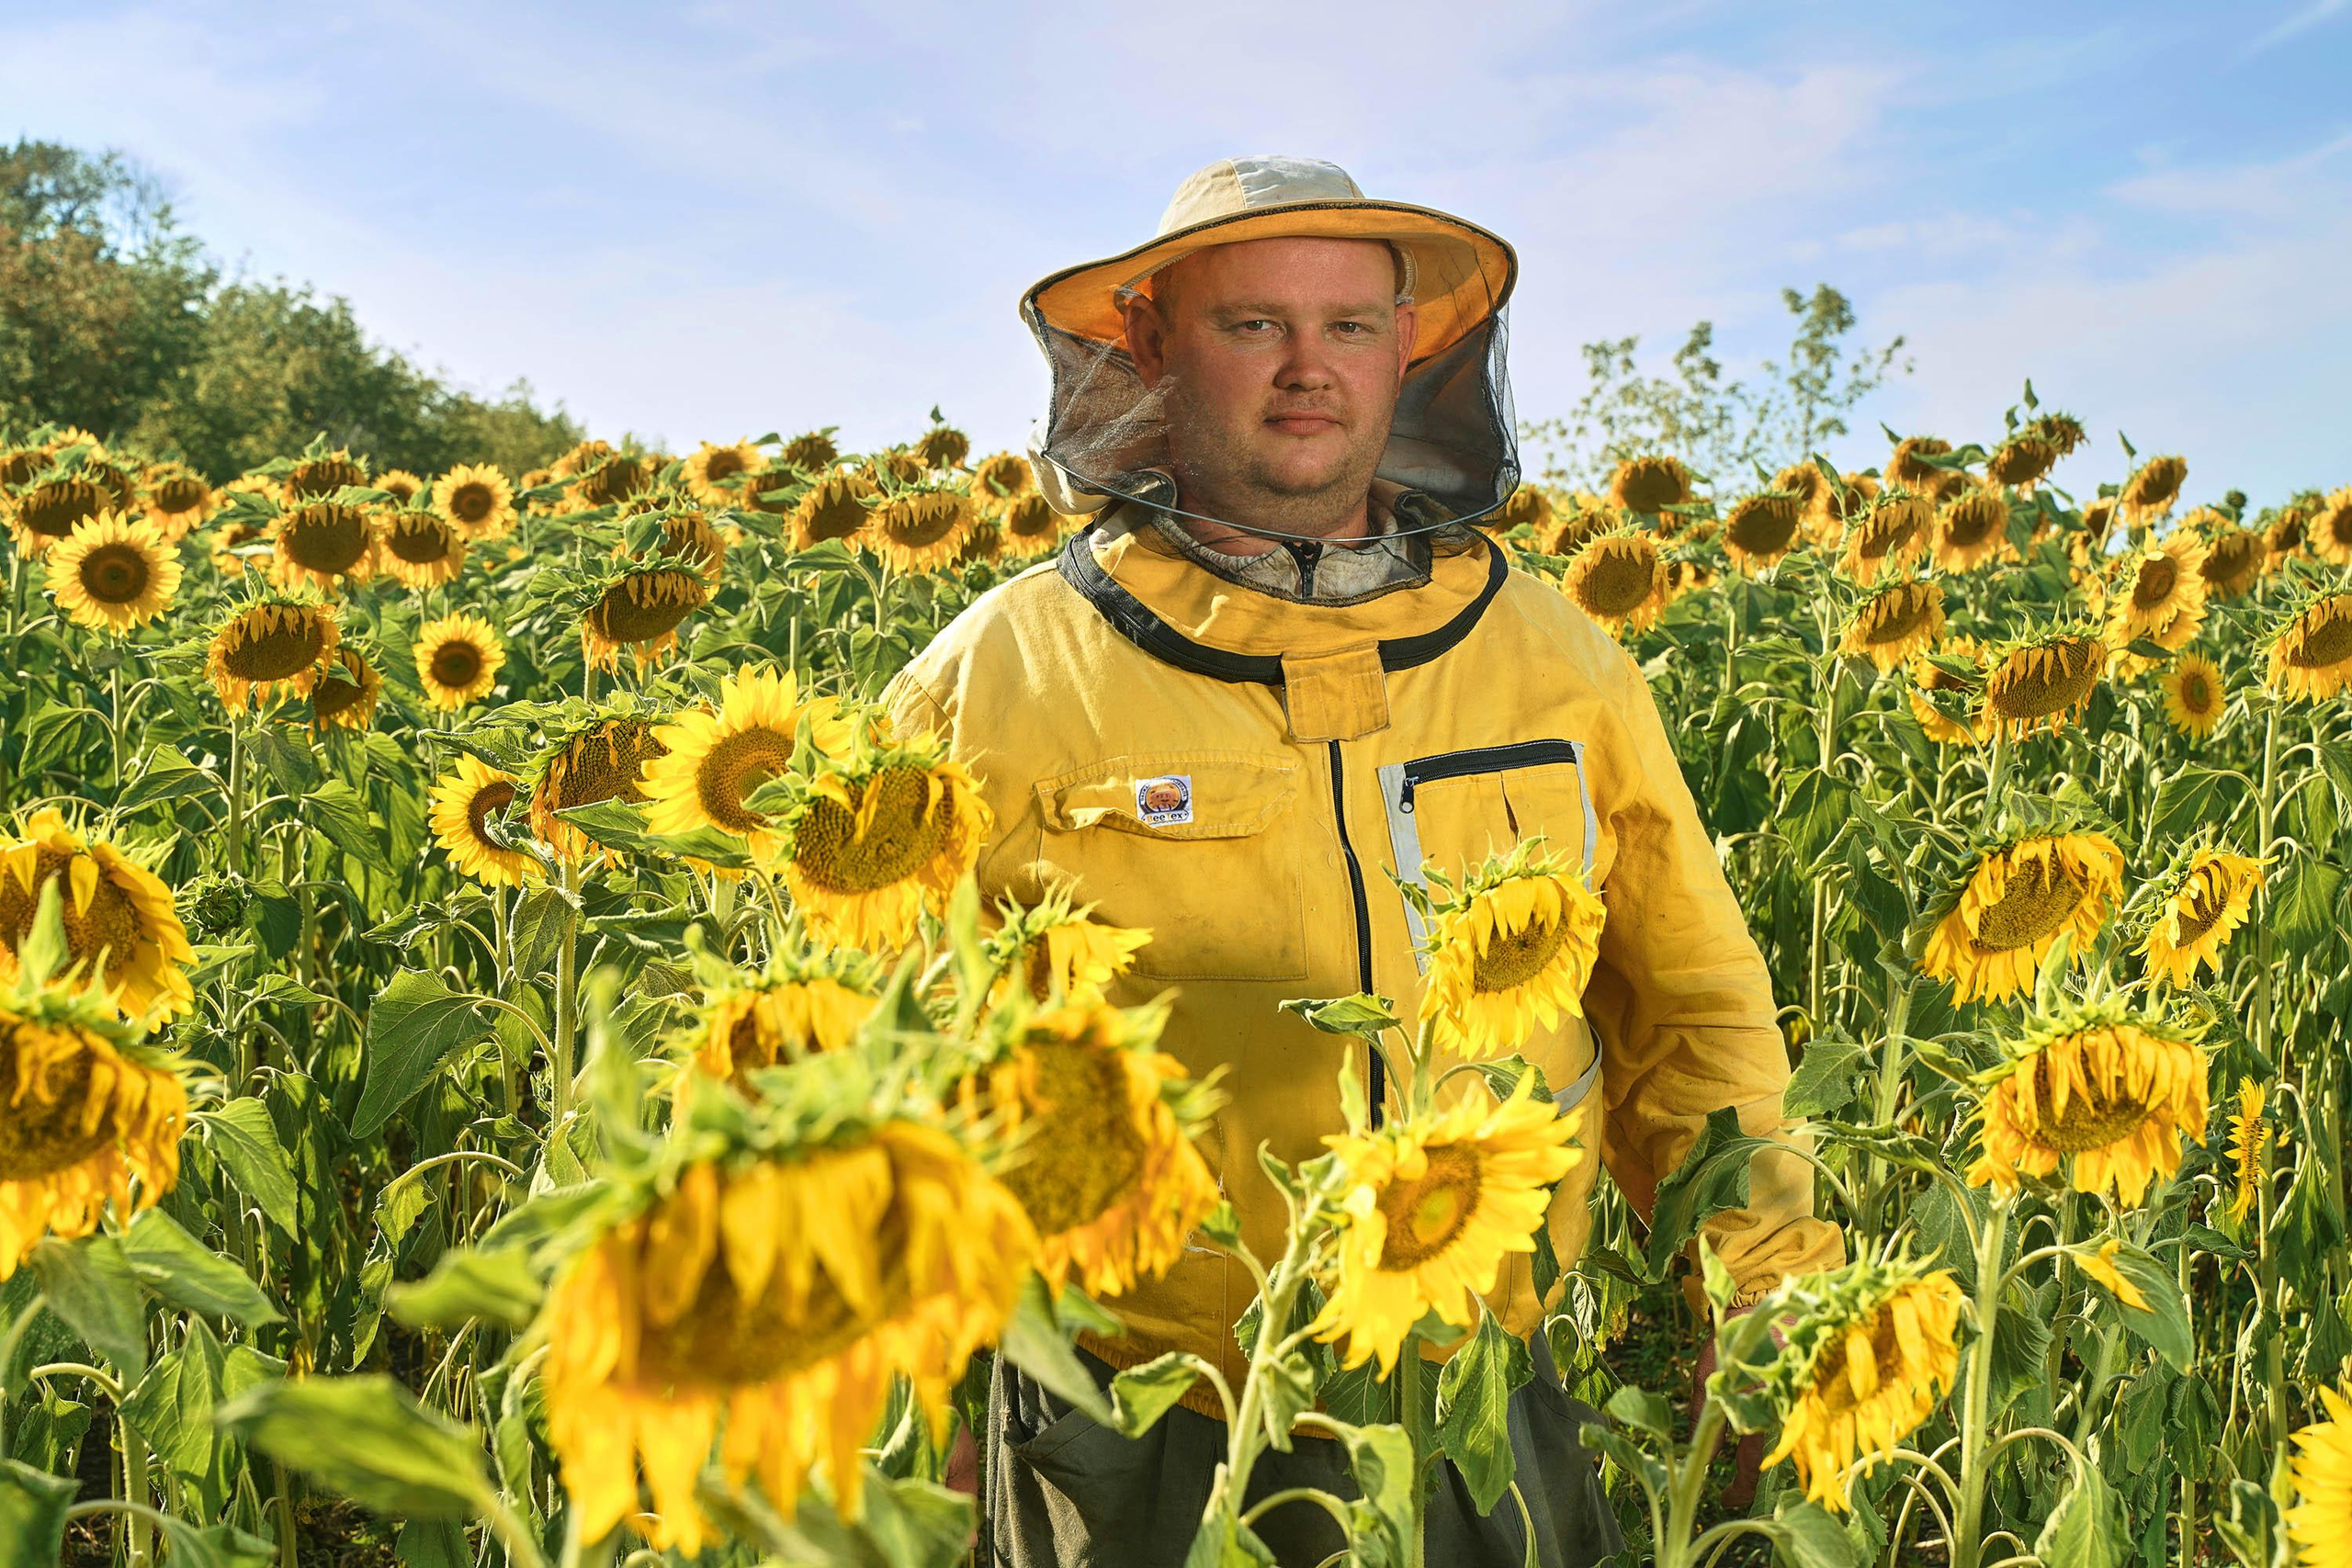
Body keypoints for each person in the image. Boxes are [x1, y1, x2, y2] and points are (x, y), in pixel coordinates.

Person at [886, 155, 1843, 1568]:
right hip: (1129, 1422)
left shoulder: (1556, 663)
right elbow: (888, 1068)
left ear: (1412, 350)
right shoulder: (996, 680)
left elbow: (1691, 1007)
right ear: (1148, 339)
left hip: (1479, 1393)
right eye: (1251, 324)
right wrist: (922, 1407)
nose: (1305, 372)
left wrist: (1764, 1289)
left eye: (1346, 328)